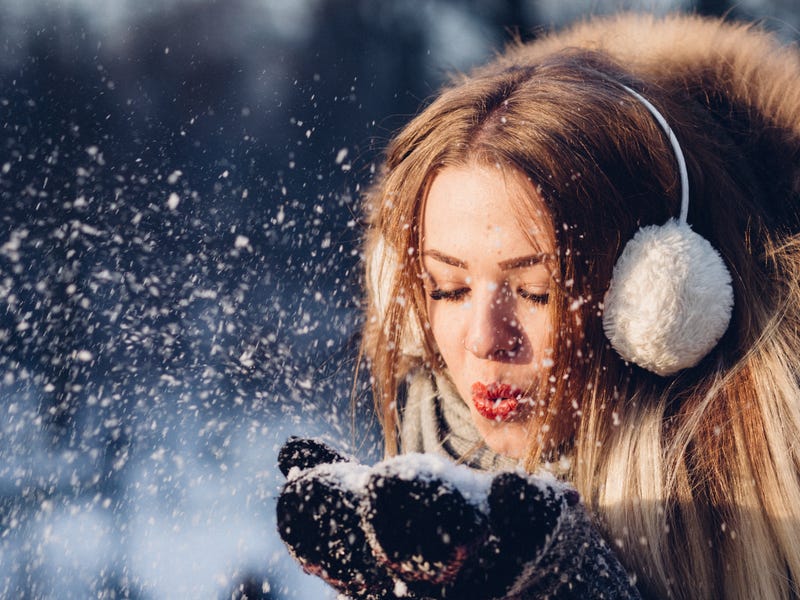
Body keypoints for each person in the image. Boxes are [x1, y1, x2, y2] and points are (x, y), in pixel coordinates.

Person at [278, 12, 800, 600]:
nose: (483, 339)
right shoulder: (437, 478)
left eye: (535, 292)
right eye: (447, 288)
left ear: (662, 300)